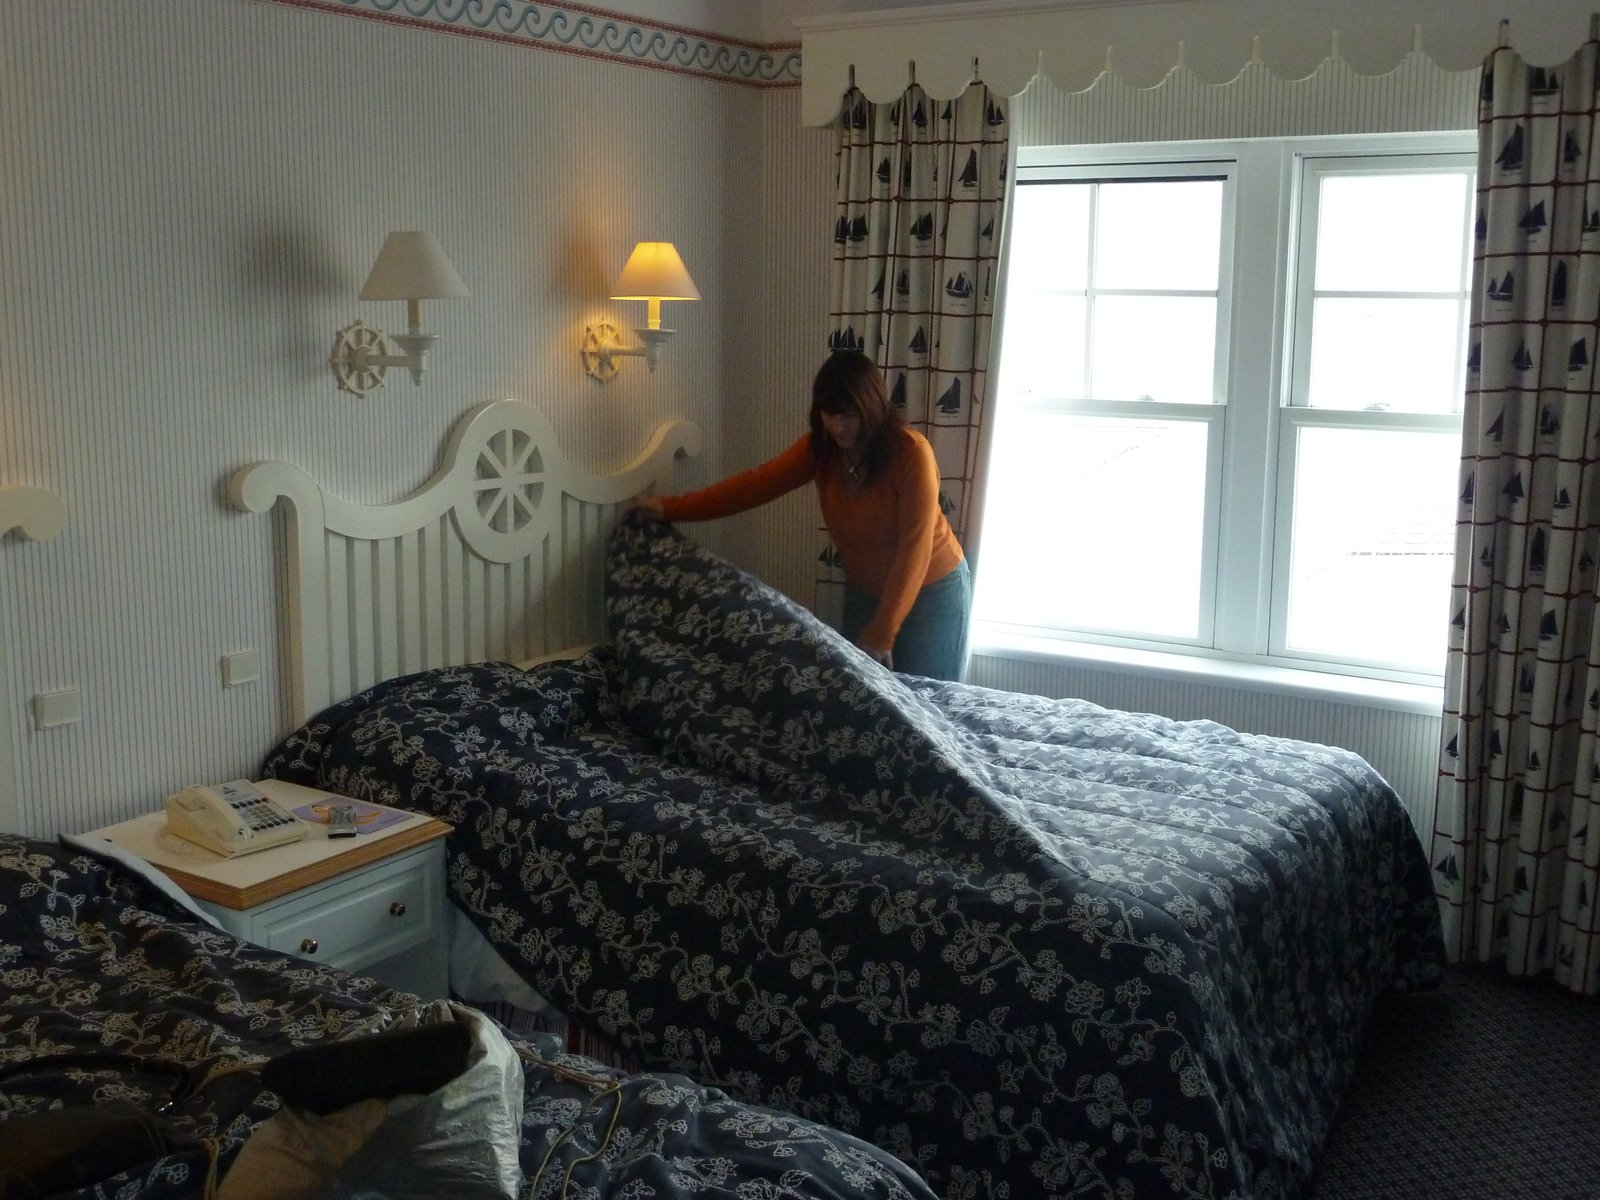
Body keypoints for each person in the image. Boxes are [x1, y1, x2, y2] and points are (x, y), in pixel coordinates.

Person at [632, 350, 971, 681]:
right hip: (865, 592)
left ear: (871, 408)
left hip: (931, 592)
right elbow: (753, 486)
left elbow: (914, 549)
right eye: (829, 414)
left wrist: (883, 631)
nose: (837, 426)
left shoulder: (911, 454)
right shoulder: (822, 449)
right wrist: (670, 508)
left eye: (848, 415)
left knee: (934, 701)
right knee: (866, 702)